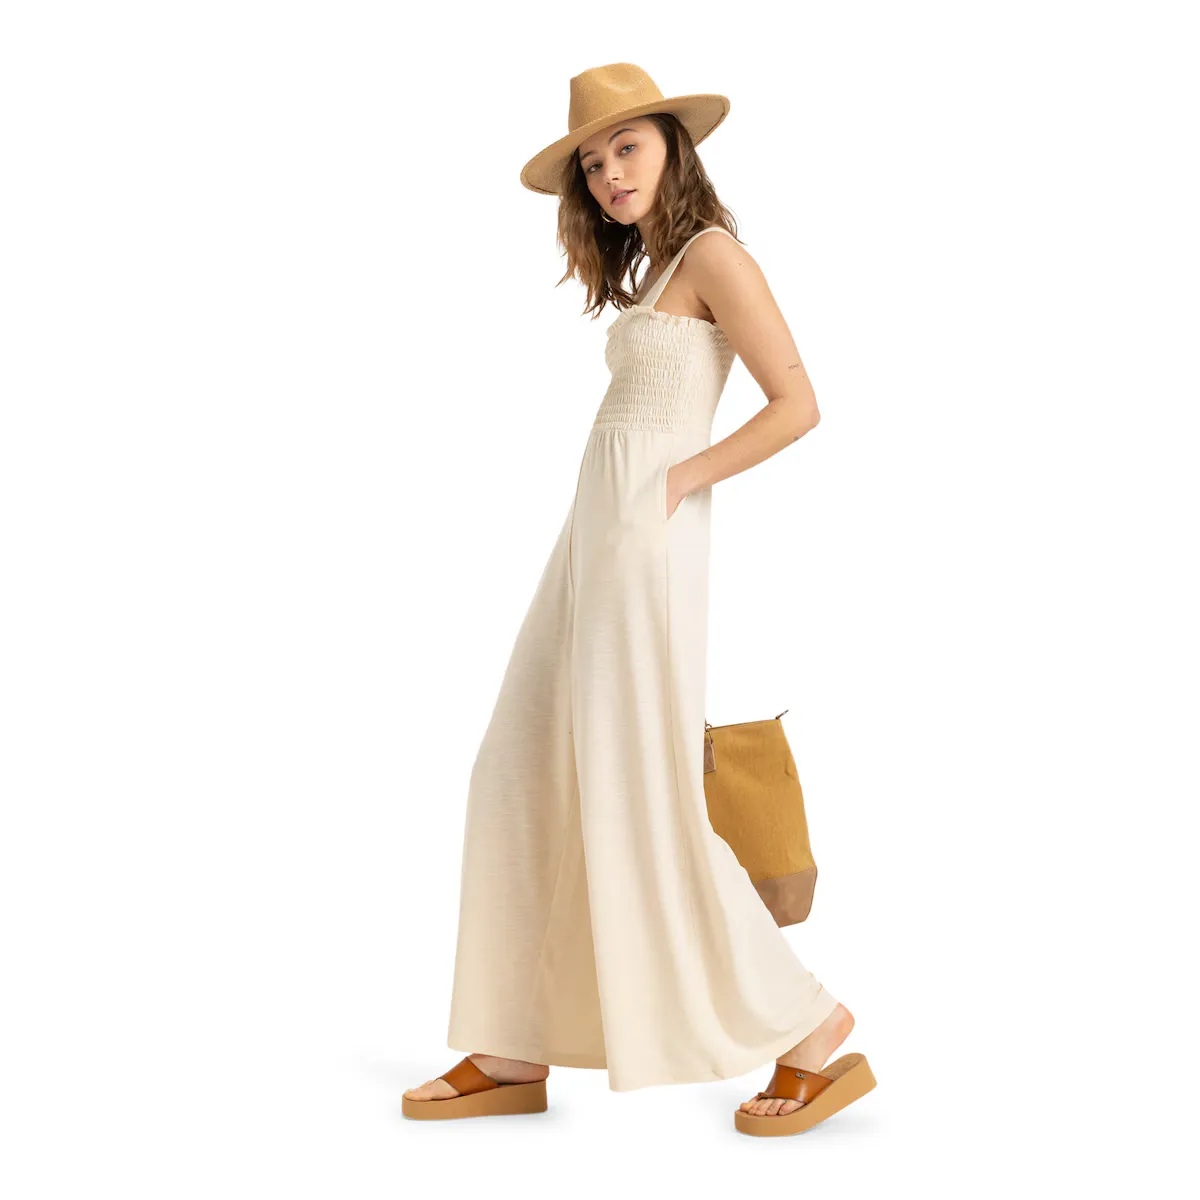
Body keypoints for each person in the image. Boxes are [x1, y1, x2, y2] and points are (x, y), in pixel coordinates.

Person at [402, 63, 874, 1137]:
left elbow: (797, 402)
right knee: (519, 768)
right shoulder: (660, 265)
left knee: (640, 792)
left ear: (673, 146)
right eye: (592, 161)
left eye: (628, 147)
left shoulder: (713, 254)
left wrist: (675, 482)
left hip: (647, 543)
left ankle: (811, 1025)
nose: (610, 172)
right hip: (595, 540)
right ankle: (513, 1041)